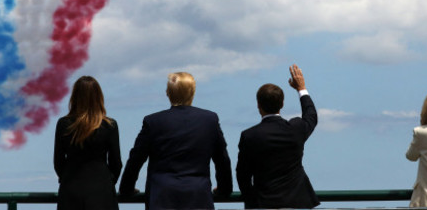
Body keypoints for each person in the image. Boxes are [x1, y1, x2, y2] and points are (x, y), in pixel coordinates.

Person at [119, 72, 232, 210]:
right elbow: (222, 161)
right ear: (193, 92)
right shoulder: (210, 120)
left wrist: (126, 190)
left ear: (168, 93)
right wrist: (224, 190)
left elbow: (135, 160)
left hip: (162, 198)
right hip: (198, 197)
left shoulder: (153, 122)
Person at [236, 64, 320, 209]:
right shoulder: (295, 129)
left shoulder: (249, 136)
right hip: (298, 203)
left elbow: (242, 175)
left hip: (263, 203)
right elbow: (311, 116)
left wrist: (252, 201)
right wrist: (301, 89)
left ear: (258, 105)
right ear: (282, 104)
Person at [54, 76, 122, 210]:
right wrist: (108, 181)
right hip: (102, 190)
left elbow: (58, 162)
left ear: (75, 97)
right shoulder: (109, 125)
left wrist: (67, 178)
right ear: (98, 97)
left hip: (71, 190)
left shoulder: (64, 124)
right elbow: (116, 163)